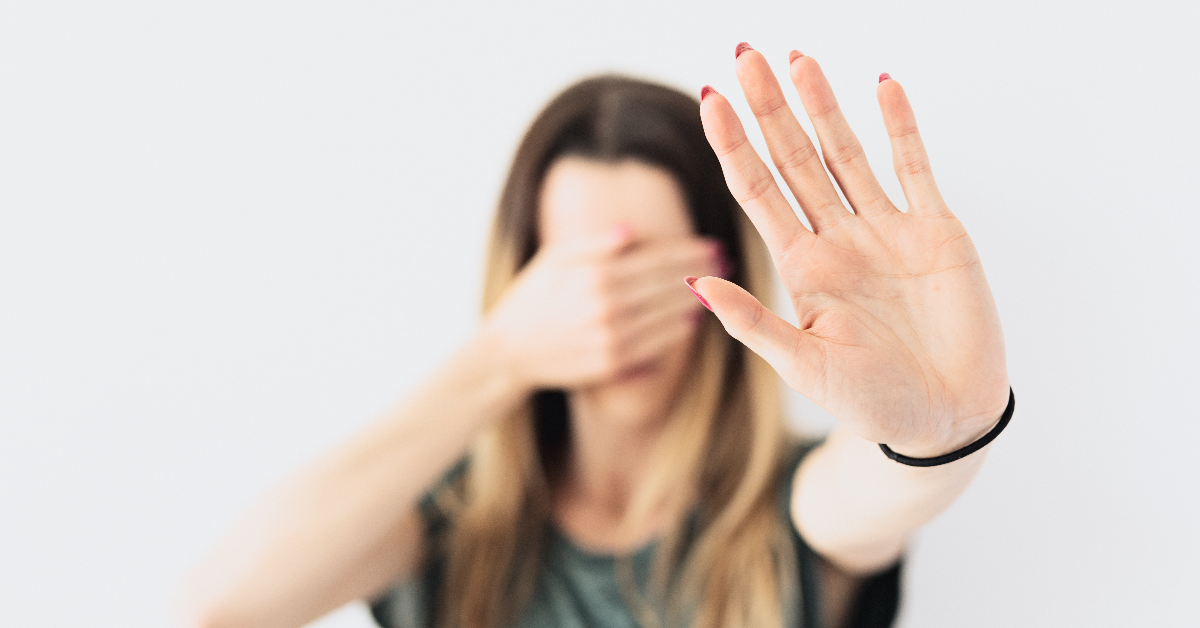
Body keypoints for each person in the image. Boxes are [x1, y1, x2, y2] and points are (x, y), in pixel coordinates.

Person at [180, 44, 1011, 628]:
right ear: (524, 280)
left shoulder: (787, 511)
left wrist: (947, 428)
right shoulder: (448, 523)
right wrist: (500, 356)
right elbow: (223, 607)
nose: (617, 312)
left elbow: (883, 491)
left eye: (660, 274)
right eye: (583, 275)